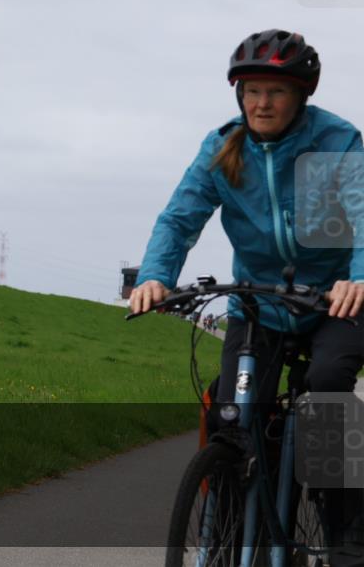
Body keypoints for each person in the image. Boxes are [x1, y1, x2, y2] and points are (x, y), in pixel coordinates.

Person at [129, 29, 364, 555]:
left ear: (302, 95)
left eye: (276, 92)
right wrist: (154, 275)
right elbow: (180, 217)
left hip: (335, 302)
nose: (262, 102)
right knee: (231, 414)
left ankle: (347, 527)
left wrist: (361, 277)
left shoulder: (336, 141)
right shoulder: (223, 145)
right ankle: (232, 542)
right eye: (252, 90)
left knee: (326, 385)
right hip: (260, 304)